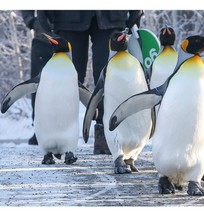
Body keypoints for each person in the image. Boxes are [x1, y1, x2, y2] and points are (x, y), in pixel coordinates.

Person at [37, 10, 143, 154]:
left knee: (110, 74)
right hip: (67, 16)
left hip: (111, 16)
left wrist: (135, 12)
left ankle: (107, 132)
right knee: (69, 76)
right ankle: (58, 137)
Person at [21, 10, 53, 145]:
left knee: (62, 88)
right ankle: (38, 129)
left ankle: (59, 128)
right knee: (38, 86)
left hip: (66, 36)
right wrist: (33, 22)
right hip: (42, 40)